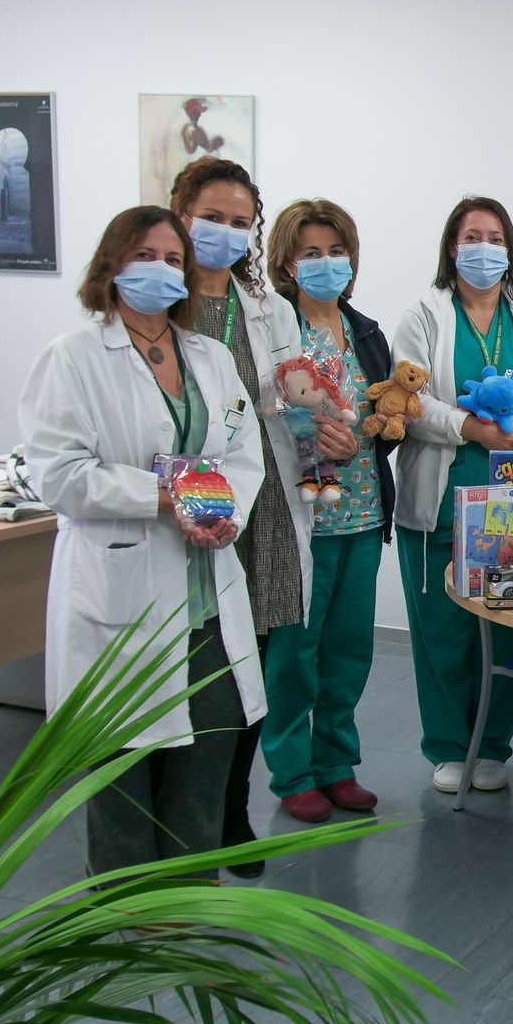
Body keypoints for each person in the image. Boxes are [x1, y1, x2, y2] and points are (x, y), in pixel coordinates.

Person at [19, 206, 265, 879]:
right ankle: (128, 894)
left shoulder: (209, 357)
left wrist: (223, 511)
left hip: (206, 579)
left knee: (211, 736)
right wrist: (166, 498)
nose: (161, 269)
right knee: (123, 752)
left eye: (173, 259)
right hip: (120, 582)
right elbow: (60, 476)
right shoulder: (72, 359)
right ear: (111, 265)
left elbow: (245, 451)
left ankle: (189, 884)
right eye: (144, 255)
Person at [392, 196, 513, 795]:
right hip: (442, 495)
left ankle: (493, 743)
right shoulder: (425, 315)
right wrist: (470, 428)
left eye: (495, 237)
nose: (484, 248)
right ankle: (449, 747)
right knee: (443, 630)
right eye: (472, 236)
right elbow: (408, 400)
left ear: (510, 249)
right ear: (453, 248)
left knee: (509, 622)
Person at [170, 157, 314, 877]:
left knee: (250, 663)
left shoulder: (269, 308)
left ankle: (232, 811)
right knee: (193, 663)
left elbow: (292, 398)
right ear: (180, 211)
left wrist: (327, 425)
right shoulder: (159, 305)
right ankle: (182, 820)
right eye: (212, 218)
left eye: (239, 222)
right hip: (188, 504)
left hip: (264, 504)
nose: (225, 233)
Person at [259, 199, 395, 822]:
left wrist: (376, 430)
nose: (325, 264)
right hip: (302, 517)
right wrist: (316, 440)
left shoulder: (365, 330)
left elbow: (385, 419)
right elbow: (260, 418)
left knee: (347, 649)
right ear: (287, 263)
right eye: (311, 253)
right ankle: (293, 773)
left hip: (361, 514)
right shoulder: (274, 330)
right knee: (295, 651)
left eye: (335, 252)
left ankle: (337, 763)